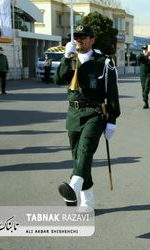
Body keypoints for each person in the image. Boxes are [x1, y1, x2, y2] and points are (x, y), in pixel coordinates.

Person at [54, 25, 120, 209]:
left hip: (94, 113)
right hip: (73, 114)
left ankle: (73, 187)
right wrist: (66, 57)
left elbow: (112, 92)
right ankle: (88, 203)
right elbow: (58, 79)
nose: (79, 40)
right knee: (79, 159)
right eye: (76, 37)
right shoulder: (71, 59)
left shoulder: (104, 63)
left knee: (85, 150)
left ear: (92, 40)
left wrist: (112, 120)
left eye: (83, 37)